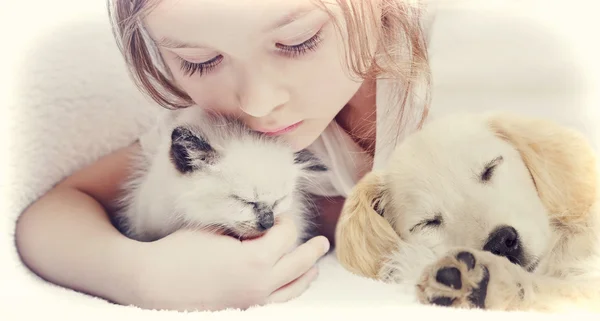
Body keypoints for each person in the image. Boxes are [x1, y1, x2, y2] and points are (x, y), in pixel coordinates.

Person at [15, 0, 437, 312]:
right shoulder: (220, 131)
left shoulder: (462, 67)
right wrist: (141, 276)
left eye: (298, 40)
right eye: (199, 60)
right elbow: (55, 212)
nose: (257, 103)